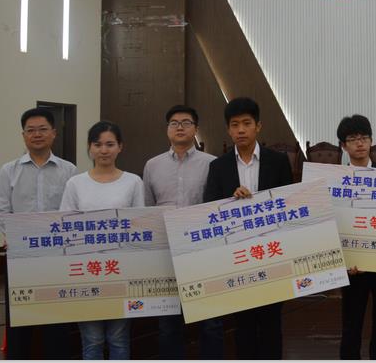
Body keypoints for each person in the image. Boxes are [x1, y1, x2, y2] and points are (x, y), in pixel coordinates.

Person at [203, 97, 293, 359]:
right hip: (237, 257)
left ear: (258, 126)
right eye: (235, 125)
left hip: (272, 253)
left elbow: (289, 204)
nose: (241, 130)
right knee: (243, 325)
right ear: (228, 129)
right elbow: (210, 208)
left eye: (246, 123)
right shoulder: (218, 166)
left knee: (271, 323)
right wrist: (232, 202)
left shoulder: (278, 162)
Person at [143, 105, 224, 358]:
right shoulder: (152, 165)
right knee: (168, 324)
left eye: (186, 122)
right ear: (167, 129)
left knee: (211, 322)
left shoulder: (212, 163)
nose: (180, 127)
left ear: (196, 129)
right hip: (165, 252)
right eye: (174, 123)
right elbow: (147, 208)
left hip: (202, 252)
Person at [0, 107, 77, 359]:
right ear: (23, 135)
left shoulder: (69, 170)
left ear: (53, 133)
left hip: (58, 256)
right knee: (19, 320)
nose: (37, 134)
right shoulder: (8, 170)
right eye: (31, 130)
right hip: (21, 256)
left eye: (42, 129)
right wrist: (15, 237)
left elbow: (73, 212)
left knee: (58, 320)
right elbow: (2, 212)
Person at [59, 121, 145, 360]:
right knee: (92, 340)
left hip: (121, 270)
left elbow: (141, 225)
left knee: (119, 339)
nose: (104, 150)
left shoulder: (133, 182)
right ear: (89, 147)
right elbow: (64, 226)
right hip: (85, 271)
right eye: (97, 145)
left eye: (110, 144)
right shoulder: (75, 183)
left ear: (120, 147)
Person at [336, 114, 376, 359]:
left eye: (364, 137)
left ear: (371, 141)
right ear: (343, 145)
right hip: (352, 265)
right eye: (352, 139)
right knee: (351, 323)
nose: (359, 143)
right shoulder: (333, 180)